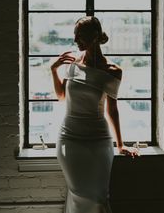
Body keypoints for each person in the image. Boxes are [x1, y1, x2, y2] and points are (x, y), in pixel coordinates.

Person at [51, 16, 139, 213]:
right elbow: (61, 96)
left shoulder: (113, 71)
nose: (75, 41)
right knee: (79, 192)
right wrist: (54, 70)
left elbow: (112, 110)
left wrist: (121, 144)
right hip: (70, 139)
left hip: (99, 140)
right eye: (75, 36)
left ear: (94, 37)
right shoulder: (72, 62)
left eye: (79, 36)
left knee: (99, 197)